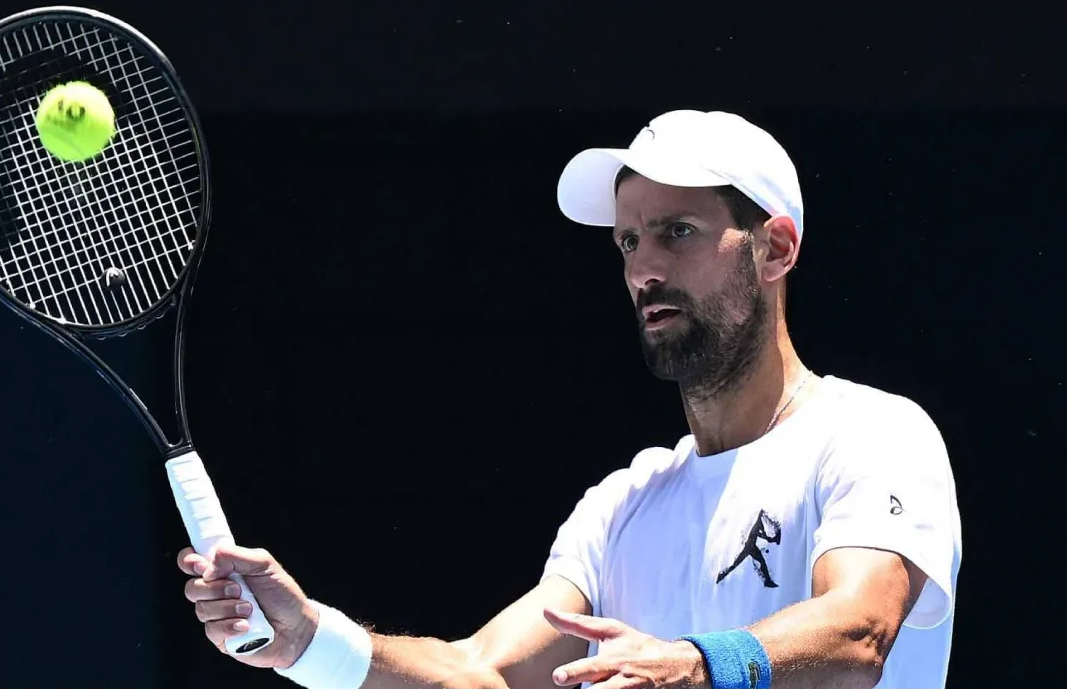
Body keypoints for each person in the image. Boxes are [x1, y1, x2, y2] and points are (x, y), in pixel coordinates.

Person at [180, 111, 961, 688]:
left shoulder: (872, 433)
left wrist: (691, 664)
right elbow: (479, 675)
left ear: (776, 249)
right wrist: (309, 639)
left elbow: (861, 629)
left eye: (678, 232)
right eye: (628, 241)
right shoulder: (623, 505)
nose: (642, 269)